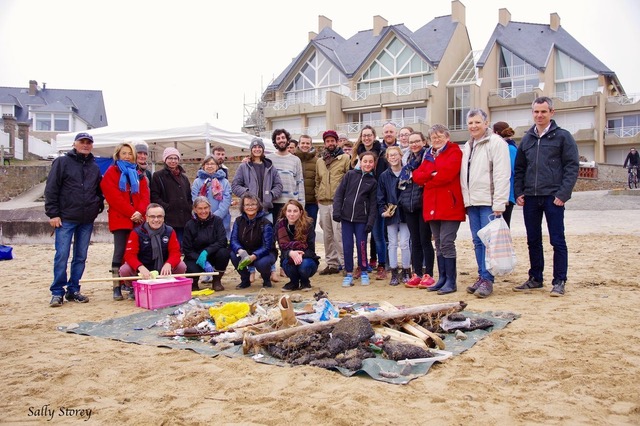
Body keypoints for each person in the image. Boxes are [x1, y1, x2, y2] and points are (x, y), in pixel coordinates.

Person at [514, 96, 580, 297]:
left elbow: (572, 166)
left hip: (553, 197)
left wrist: (563, 194)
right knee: (533, 239)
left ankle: (559, 280)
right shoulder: (527, 139)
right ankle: (535, 278)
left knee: (557, 239)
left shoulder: (563, 137)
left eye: (543, 111)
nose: (539, 115)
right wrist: (518, 192)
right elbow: (519, 169)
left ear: (552, 112)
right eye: (536, 111)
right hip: (531, 198)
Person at [45, 132, 104, 307]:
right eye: (82, 142)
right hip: (66, 218)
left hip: (86, 219)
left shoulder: (94, 166)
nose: (85, 145)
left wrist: (97, 206)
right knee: (62, 255)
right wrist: (53, 213)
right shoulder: (62, 162)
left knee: (80, 256)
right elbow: (51, 189)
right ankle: (57, 291)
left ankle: (73, 289)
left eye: (88, 142)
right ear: (75, 143)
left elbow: (97, 191)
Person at [460, 108, 511, 299]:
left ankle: (488, 279)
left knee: (489, 242)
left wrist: (499, 203)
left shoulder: (496, 143)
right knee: (477, 241)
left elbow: (502, 174)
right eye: (470, 123)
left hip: (489, 201)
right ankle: (482, 275)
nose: (473, 126)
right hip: (473, 201)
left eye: (477, 122)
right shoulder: (469, 144)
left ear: (486, 123)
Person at [412, 125, 466, 295]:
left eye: (440, 136)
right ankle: (442, 278)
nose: (437, 139)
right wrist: (431, 176)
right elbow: (417, 176)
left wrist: (429, 178)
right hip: (432, 205)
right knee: (439, 243)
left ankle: (451, 280)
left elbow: (447, 174)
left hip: (449, 204)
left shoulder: (454, 151)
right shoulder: (429, 154)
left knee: (447, 241)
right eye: (434, 137)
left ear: (447, 136)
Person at [100, 141, 150, 300]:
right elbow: (113, 197)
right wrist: (131, 212)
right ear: (118, 155)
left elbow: (145, 196)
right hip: (121, 218)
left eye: (130, 154)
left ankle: (133, 284)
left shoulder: (139, 174)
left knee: (137, 252)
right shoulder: (111, 173)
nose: (127, 157)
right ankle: (117, 286)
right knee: (120, 252)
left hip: (138, 219)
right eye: (124, 153)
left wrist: (140, 212)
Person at [232, 137, 283, 284]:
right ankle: (251, 271)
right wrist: (248, 193)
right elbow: (235, 185)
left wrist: (270, 195)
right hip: (248, 210)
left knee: (268, 241)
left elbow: (278, 185)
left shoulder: (270, 167)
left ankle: (272, 270)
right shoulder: (244, 167)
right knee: (248, 240)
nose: (257, 149)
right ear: (251, 150)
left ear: (263, 150)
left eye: (259, 147)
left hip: (265, 209)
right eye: (254, 147)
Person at [334, 151, 378, 287]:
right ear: (360, 161)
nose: (368, 164)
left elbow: (373, 205)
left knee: (362, 245)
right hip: (346, 218)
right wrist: (337, 211)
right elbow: (339, 194)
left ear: (374, 163)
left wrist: (370, 222)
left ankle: (364, 271)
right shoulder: (350, 175)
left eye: (371, 162)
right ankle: (348, 273)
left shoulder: (372, 182)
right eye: (365, 161)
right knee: (347, 246)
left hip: (361, 220)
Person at [398, 131, 435, 288]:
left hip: (423, 203)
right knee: (415, 240)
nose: (414, 144)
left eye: (417, 141)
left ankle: (429, 274)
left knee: (425, 239)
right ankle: (417, 273)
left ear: (424, 141)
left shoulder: (428, 157)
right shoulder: (407, 159)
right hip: (409, 203)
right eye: (412, 141)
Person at [351, 125, 388, 279]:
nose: (366, 138)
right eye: (364, 135)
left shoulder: (382, 154)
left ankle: (382, 265)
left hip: (377, 199)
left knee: (378, 236)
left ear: (374, 136)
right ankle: (362, 264)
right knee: (360, 238)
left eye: (369, 135)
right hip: (361, 202)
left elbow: (385, 177)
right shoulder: (355, 154)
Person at [119, 203, 187, 286]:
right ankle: (134, 287)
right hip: (142, 268)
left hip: (163, 267)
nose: (156, 219)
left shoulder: (169, 231)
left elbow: (175, 252)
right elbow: (129, 255)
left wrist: (169, 264)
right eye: (152, 216)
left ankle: (170, 284)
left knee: (181, 266)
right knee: (124, 270)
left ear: (163, 218)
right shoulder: (136, 232)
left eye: (159, 216)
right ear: (147, 218)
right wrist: (140, 267)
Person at [315, 129, 351, 275]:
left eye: (332, 140)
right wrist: (318, 194)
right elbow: (318, 180)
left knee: (339, 234)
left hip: (338, 202)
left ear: (336, 142)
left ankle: (345, 263)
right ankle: (332, 263)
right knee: (327, 235)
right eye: (327, 141)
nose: (330, 143)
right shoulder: (320, 161)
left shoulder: (344, 158)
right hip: (323, 202)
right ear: (325, 143)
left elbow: (349, 180)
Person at [377, 146, 410, 286]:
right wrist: (383, 211)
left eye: (396, 155)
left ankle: (407, 270)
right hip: (391, 213)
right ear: (387, 158)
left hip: (406, 212)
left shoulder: (407, 172)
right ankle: (394, 272)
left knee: (404, 243)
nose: (393, 158)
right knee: (392, 243)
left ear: (401, 155)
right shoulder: (384, 175)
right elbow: (380, 196)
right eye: (390, 155)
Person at [229, 193, 277, 289]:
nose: (250, 207)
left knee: (262, 263)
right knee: (233, 255)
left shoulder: (265, 223)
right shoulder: (238, 221)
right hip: (245, 252)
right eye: (247, 205)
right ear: (243, 206)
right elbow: (233, 240)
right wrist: (240, 250)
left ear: (258, 206)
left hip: (264, 254)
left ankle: (266, 279)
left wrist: (254, 256)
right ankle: (245, 279)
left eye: (253, 204)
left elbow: (267, 246)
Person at [182, 196, 230, 291]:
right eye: (200, 208)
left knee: (224, 253)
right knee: (190, 267)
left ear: (209, 208)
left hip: (213, 254)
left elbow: (222, 241)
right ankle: (194, 282)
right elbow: (187, 249)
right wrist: (201, 260)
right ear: (195, 209)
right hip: (195, 257)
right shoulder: (189, 225)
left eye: (205, 208)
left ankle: (216, 281)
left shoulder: (217, 221)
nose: (203, 211)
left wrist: (207, 252)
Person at [150, 147, 192, 246]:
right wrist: (166, 207)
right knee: (168, 245)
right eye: (170, 158)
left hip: (184, 217)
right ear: (165, 159)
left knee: (181, 246)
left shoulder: (184, 178)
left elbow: (188, 196)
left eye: (175, 158)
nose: (173, 161)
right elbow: (154, 196)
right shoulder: (158, 176)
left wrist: (188, 207)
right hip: (169, 217)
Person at [276, 200, 320, 292]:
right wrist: (291, 253)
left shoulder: (308, 225)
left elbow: (311, 250)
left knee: (304, 265)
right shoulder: (280, 225)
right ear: (285, 212)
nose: (292, 214)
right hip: (288, 257)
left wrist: (299, 255)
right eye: (289, 211)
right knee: (287, 263)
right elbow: (282, 250)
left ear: (300, 212)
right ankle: (294, 282)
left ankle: (305, 281)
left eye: (295, 211)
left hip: (307, 258)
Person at [267, 128, 305, 222]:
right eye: (278, 138)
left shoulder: (296, 160)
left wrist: (301, 204)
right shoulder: (269, 159)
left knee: (290, 234)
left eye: (283, 137)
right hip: (274, 203)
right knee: (275, 233)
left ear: (287, 140)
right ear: (275, 142)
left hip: (291, 204)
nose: (281, 140)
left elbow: (300, 183)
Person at [191, 155, 232, 239]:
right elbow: (194, 199)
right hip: (202, 219)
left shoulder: (225, 182)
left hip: (221, 220)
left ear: (217, 166)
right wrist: (204, 215)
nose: (210, 166)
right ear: (203, 166)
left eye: (212, 164)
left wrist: (215, 217)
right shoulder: (197, 182)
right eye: (207, 164)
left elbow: (226, 201)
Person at [493, 122, 518, 227]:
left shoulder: (509, 148)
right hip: (505, 193)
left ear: (496, 133)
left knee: (503, 226)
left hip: (507, 193)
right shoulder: (512, 147)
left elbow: (512, 170)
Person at [294, 134, 318, 225]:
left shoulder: (317, 161)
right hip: (296, 201)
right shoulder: (293, 159)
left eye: (307, 143)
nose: (305, 145)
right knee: (295, 228)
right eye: (303, 143)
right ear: (298, 144)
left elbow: (319, 180)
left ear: (311, 145)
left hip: (311, 202)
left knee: (310, 228)